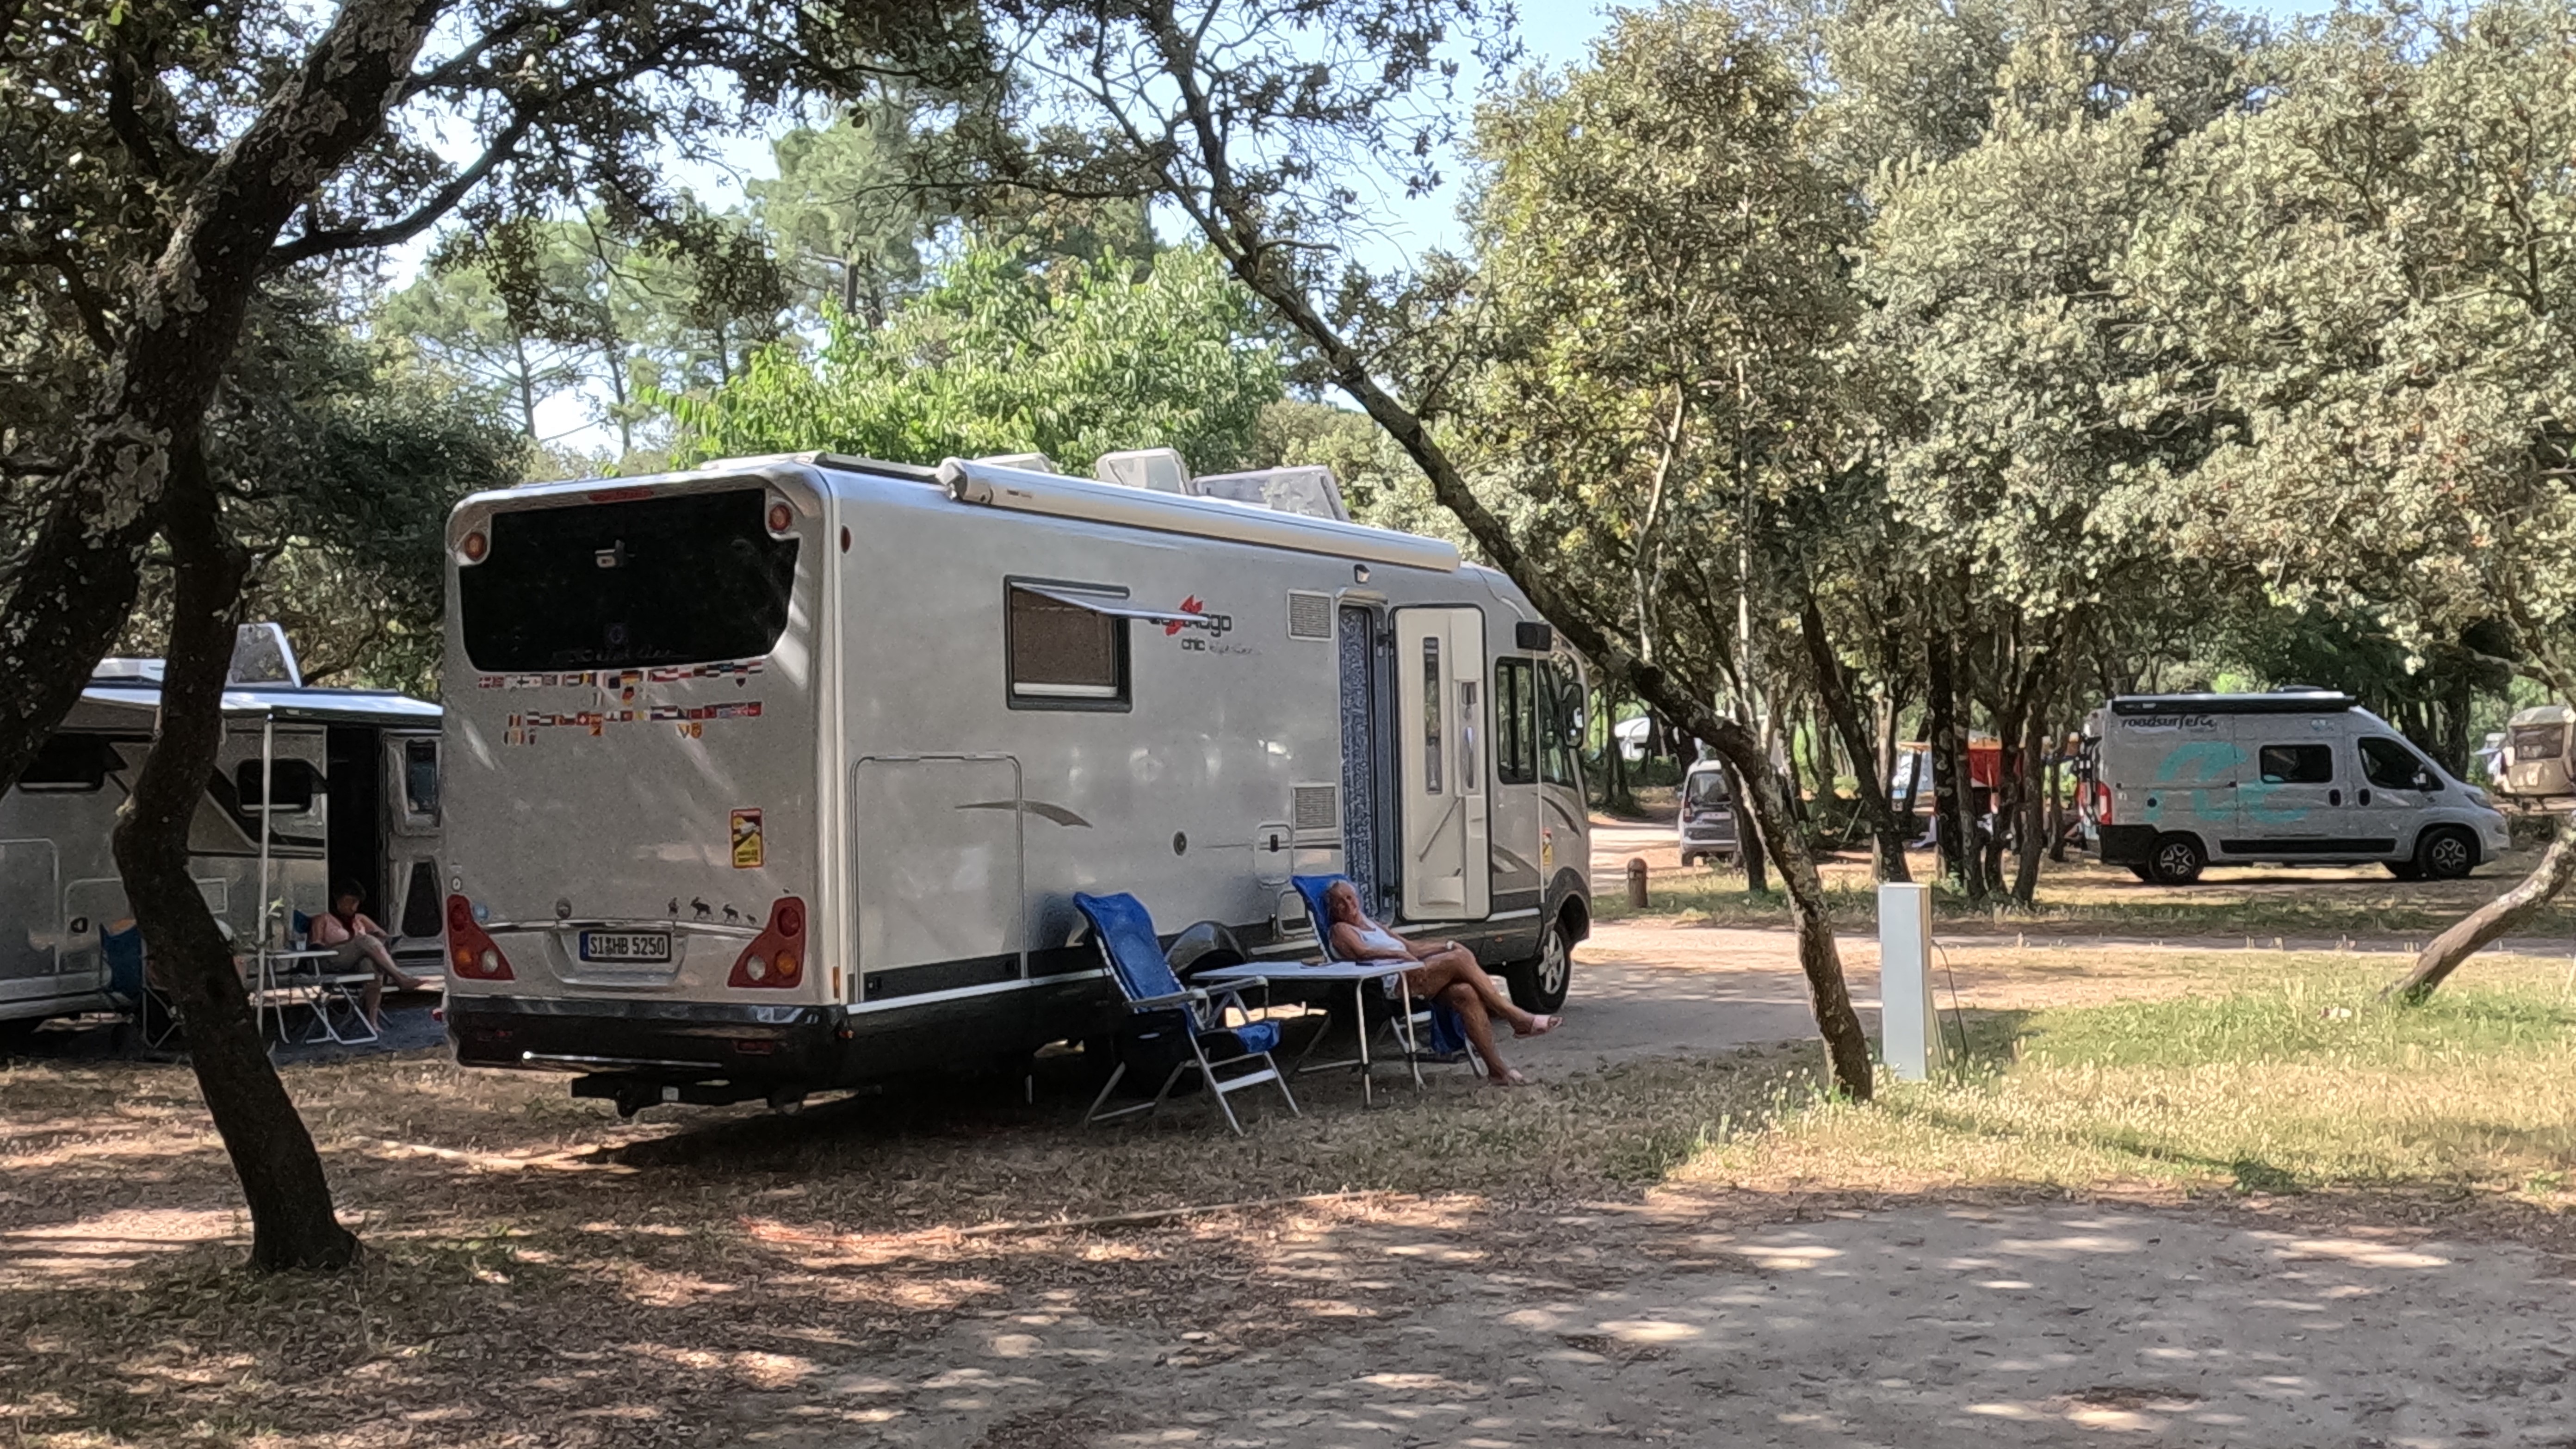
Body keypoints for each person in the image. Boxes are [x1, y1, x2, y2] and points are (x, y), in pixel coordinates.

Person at [1320, 879, 1558, 1086]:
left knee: (1465, 992)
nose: (1347, 906)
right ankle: (1515, 1016)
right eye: (1339, 902)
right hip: (1393, 987)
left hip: (1413, 976)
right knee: (1459, 959)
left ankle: (1498, 1072)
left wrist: (1447, 945)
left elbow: (1413, 948)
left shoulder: (1372, 924)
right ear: (1332, 909)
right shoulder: (1341, 930)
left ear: (1358, 899)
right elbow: (1362, 953)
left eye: (1350, 898)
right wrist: (1398, 956)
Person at [310, 881, 428, 1028]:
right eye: (351, 901)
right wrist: (348, 943)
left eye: (357, 902)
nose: (354, 907)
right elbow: (316, 945)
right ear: (338, 900)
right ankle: (400, 978)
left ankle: (373, 1022)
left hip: (357, 962)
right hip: (333, 959)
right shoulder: (323, 919)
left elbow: (385, 937)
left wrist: (380, 938)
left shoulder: (360, 919)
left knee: (372, 966)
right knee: (363, 939)